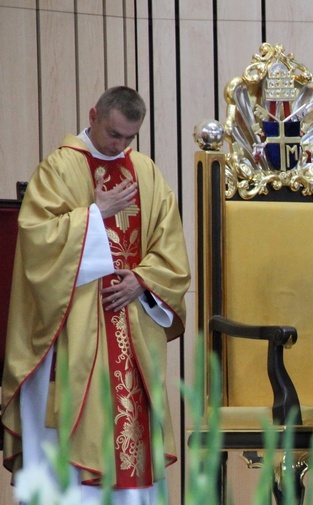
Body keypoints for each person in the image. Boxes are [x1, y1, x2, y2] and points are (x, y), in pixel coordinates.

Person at [1, 86, 191, 504]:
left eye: (129, 138)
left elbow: (171, 250)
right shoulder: (59, 168)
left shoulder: (145, 171)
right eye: (113, 134)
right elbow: (35, 241)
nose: (120, 145)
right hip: (72, 329)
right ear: (93, 115)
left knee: (129, 438)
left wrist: (141, 280)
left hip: (132, 330)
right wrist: (94, 215)